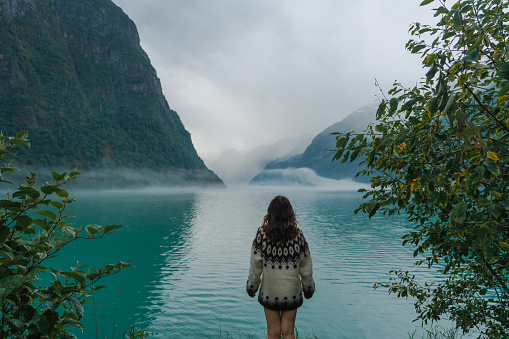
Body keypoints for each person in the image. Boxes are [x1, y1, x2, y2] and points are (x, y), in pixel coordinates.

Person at [246, 195, 315, 339]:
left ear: (270, 213)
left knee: (273, 333)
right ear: (290, 213)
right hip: (292, 291)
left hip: (270, 290)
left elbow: (255, 266)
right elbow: (306, 268)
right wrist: (308, 289)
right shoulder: (298, 235)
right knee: (289, 332)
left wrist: (252, 287)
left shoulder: (262, 234)